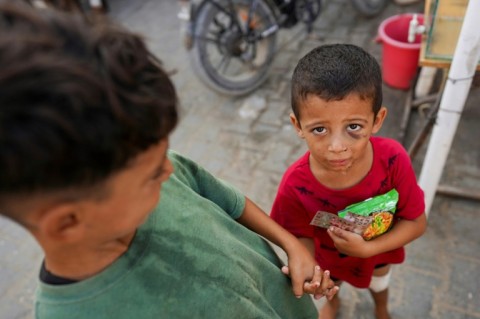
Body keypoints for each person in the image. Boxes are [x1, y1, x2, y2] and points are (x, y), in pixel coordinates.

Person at [0, 3, 338, 318]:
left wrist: (291, 246)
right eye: (150, 173)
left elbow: (226, 200)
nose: (169, 169)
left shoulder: (162, 174)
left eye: (163, 153)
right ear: (67, 222)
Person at [270, 44, 427, 319]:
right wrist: (312, 270)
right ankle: (332, 303)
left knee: (380, 282)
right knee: (333, 285)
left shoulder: (393, 160)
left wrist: (369, 249)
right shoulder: (295, 185)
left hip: (380, 252)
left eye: (353, 127)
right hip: (329, 261)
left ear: (377, 120)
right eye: (319, 129)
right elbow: (298, 236)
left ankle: (381, 307)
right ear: (297, 126)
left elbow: (416, 222)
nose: (337, 147)